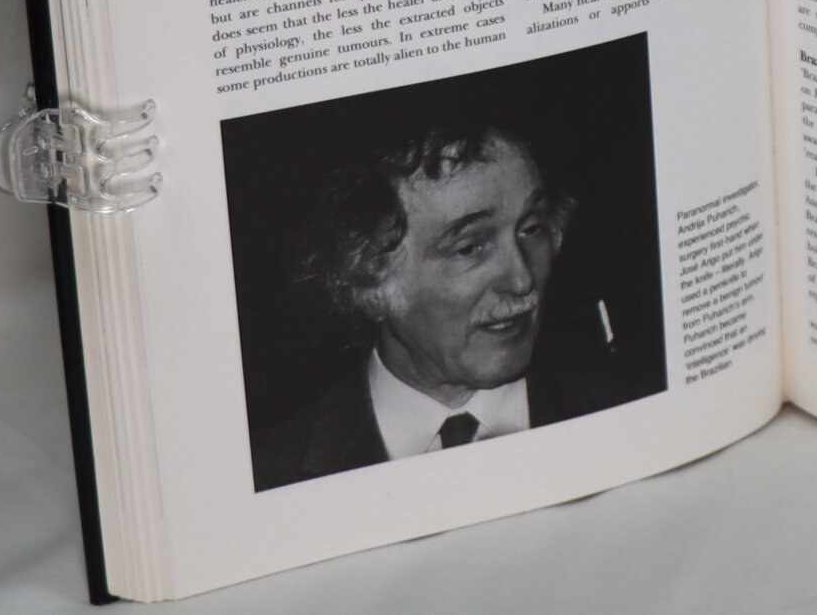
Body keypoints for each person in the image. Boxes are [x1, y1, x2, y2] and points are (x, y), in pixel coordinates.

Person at [257, 125, 646, 488]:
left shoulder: (633, 410)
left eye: (531, 229)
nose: (522, 279)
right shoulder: (275, 476)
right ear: (368, 279)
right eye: (470, 247)